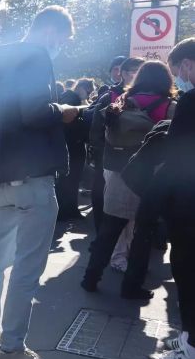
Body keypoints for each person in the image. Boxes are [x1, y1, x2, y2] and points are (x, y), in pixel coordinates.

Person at [0, 6, 80, 359]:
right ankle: (13, 347)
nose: (62, 46)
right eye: (63, 39)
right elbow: (34, 112)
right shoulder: (36, 58)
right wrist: (63, 109)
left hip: (1, 173)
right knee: (27, 266)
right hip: (32, 174)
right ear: (52, 32)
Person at [81, 61, 176, 298]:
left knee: (109, 229)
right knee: (142, 233)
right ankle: (131, 287)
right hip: (148, 177)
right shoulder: (169, 107)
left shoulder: (121, 101)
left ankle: (90, 278)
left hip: (116, 172)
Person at [150, 37, 195, 359]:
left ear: (188, 65)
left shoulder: (192, 102)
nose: (178, 76)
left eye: (178, 68)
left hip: (188, 204)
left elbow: (176, 157)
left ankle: (190, 350)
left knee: (187, 269)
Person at [87, 56, 139, 233]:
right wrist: (100, 152)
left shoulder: (147, 95)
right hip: (110, 156)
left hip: (137, 156)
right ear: (123, 74)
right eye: (135, 71)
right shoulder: (109, 95)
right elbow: (96, 128)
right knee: (104, 195)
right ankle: (102, 234)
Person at [56, 78, 94, 220]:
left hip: (75, 144)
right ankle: (65, 210)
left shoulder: (74, 98)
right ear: (81, 87)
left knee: (73, 179)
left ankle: (71, 209)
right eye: (88, 90)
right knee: (68, 179)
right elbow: (70, 122)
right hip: (71, 144)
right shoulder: (70, 99)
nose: (89, 94)